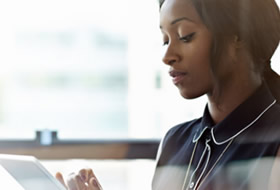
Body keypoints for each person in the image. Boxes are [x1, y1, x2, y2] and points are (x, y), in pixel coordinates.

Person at [55, 0, 280, 189]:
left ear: (238, 36)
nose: (167, 56)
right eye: (165, 40)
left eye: (185, 36)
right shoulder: (175, 141)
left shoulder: (274, 143)